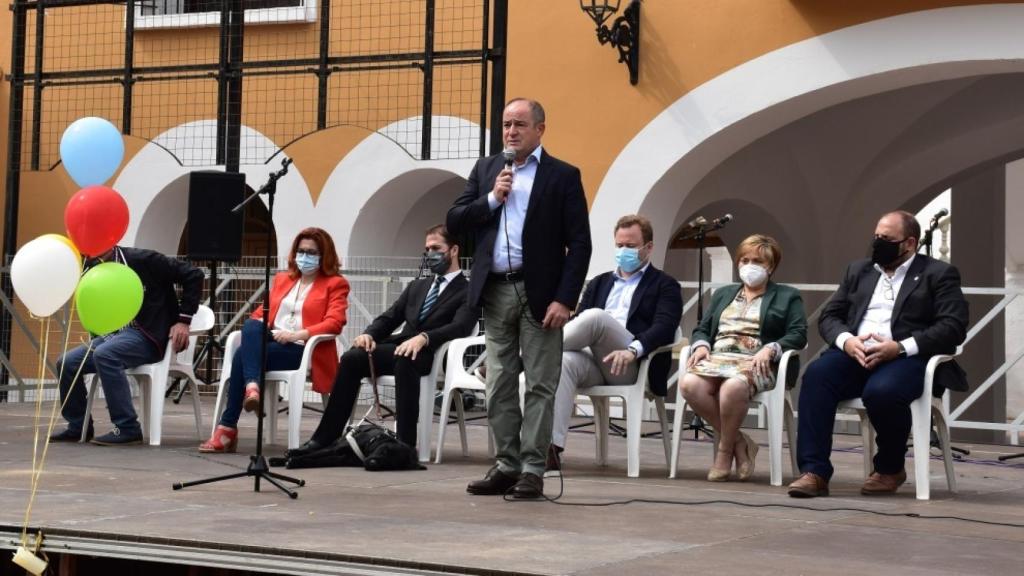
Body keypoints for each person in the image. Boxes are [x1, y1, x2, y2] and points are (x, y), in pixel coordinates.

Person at [448, 97, 592, 499]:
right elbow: (455, 221)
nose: (511, 131)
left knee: (542, 384)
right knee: (498, 383)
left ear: (540, 129)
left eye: (520, 124)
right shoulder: (487, 169)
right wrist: (492, 198)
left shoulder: (563, 176)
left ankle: (533, 468)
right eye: (506, 124)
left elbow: (579, 243)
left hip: (541, 292)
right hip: (494, 290)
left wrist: (565, 299)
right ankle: (506, 464)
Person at [788, 211, 968, 497]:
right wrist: (847, 341)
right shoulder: (859, 270)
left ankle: (889, 468)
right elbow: (830, 316)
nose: (878, 243)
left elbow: (953, 327)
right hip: (857, 353)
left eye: (886, 239)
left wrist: (899, 347)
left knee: (882, 391)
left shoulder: (938, 274)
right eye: (876, 237)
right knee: (817, 377)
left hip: (907, 358)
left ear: (909, 243)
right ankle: (814, 472)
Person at [290, 225, 478, 455]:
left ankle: (404, 444)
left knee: (405, 357)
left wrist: (425, 338)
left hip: (433, 354)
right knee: (352, 358)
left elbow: (461, 326)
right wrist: (369, 334)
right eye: (427, 249)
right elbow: (390, 317)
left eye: (436, 248)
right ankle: (325, 438)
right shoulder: (418, 286)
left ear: (454, 250)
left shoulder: (468, 291)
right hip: (399, 348)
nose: (430, 254)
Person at [549, 214, 682, 472]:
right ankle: (550, 449)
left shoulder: (665, 285)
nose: (624, 251)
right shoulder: (600, 282)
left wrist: (633, 350)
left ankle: (524, 357)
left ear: (648, 247)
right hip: (593, 362)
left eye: (631, 246)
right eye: (619, 245)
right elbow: (579, 322)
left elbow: (665, 328)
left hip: (631, 365)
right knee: (563, 361)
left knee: (597, 317)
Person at [200, 227, 349, 453]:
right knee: (251, 325)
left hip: (303, 348)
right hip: (273, 340)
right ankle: (251, 389)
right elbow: (261, 314)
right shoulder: (283, 280)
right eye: (301, 251)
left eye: (312, 252)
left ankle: (228, 427)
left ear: (323, 255)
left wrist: (297, 334)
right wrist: (268, 328)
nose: (304, 256)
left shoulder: (335, 283)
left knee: (241, 356)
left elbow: (334, 322)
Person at [681, 234, 807, 481]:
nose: (749, 266)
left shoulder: (787, 295)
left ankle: (724, 451)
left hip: (757, 362)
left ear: (770, 266)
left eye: (758, 261)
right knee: (689, 384)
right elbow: (702, 327)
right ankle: (740, 442)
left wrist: (772, 348)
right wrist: (701, 345)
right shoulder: (724, 293)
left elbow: (798, 333)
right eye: (745, 260)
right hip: (718, 358)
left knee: (732, 388)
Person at [50, 246, 204, 445]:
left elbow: (194, 274)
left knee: (105, 355)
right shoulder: (92, 267)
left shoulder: (144, 259)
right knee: (67, 362)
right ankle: (78, 426)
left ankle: (127, 427)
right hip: (116, 334)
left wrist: (183, 319)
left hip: (148, 335)